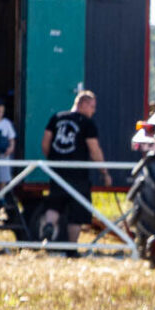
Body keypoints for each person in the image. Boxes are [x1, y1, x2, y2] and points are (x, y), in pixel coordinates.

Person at [39, 90, 111, 244]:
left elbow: (45, 143)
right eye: (92, 106)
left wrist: (53, 160)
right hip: (78, 174)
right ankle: (72, 248)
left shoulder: (56, 118)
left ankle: (50, 224)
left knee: (55, 204)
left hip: (57, 171)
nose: (93, 110)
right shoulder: (87, 123)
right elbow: (94, 149)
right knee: (77, 214)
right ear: (83, 104)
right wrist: (104, 172)